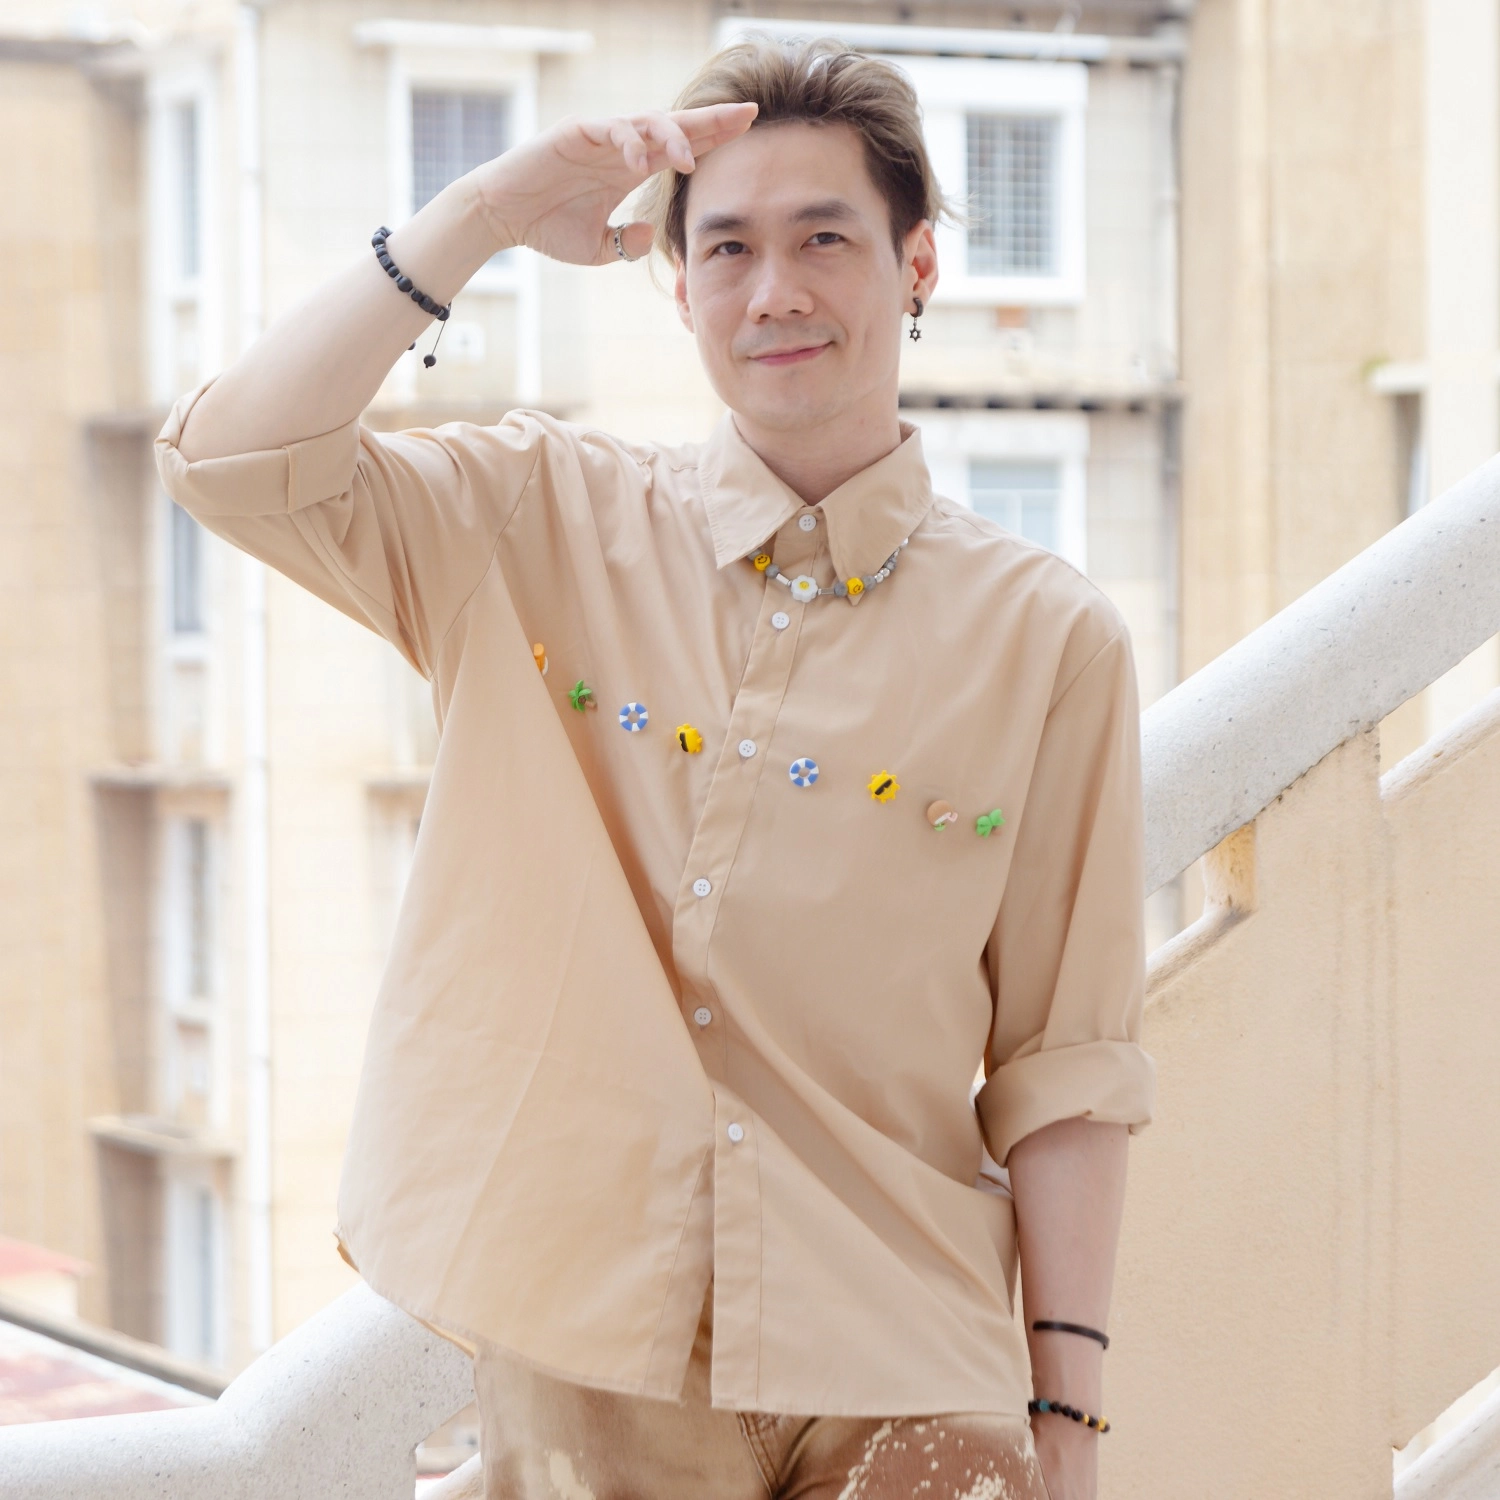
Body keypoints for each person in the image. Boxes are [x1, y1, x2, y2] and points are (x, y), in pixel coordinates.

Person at [156, 34, 1155, 1500]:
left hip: (911, 1365)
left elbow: (1065, 1068)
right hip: (596, 1364)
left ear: (918, 264)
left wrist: (1069, 1427)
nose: (776, 291)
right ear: (677, 284)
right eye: (729, 247)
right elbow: (235, 462)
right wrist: (485, 211)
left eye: (826, 239)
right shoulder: (535, 518)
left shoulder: (1049, 639)